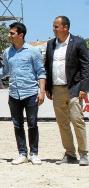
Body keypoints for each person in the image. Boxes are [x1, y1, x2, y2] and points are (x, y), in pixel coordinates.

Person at [44, 16, 89, 166]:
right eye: (53, 26)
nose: (53, 29)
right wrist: (48, 88)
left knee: (77, 120)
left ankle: (84, 154)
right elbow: (47, 67)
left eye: (56, 26)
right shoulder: (50, 44)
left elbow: (86, 67)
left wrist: (84, 88)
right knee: (62, 123)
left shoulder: (78, 42)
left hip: (74, 88)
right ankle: (70, 154)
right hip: (57, 88)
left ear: (65, 27)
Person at [0, 22, 46, 165]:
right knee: (17, 125)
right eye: (9, 32)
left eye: (12, 33)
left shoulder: (33, 51)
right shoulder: (7, 52)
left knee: (32, 124)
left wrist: (42, 91)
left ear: (21, 35)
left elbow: (41, 72)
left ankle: (34, 153)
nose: (9, 35)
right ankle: (22, 153)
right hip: (14, 93)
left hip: (31, 93)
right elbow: (5, 70)